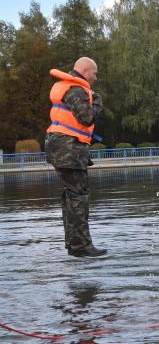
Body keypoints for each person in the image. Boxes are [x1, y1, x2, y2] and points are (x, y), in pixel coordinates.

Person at [45, 57, 107, 257]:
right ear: (85, 70)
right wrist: (97, 102)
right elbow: (87, 117)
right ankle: (81, 247)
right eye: (94, 73)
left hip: (60, 146)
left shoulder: (67, 87)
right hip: (68, 149)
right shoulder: (76, 89)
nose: (96, 78)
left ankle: (74, 245)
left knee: (72, 196)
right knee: (79, 196)